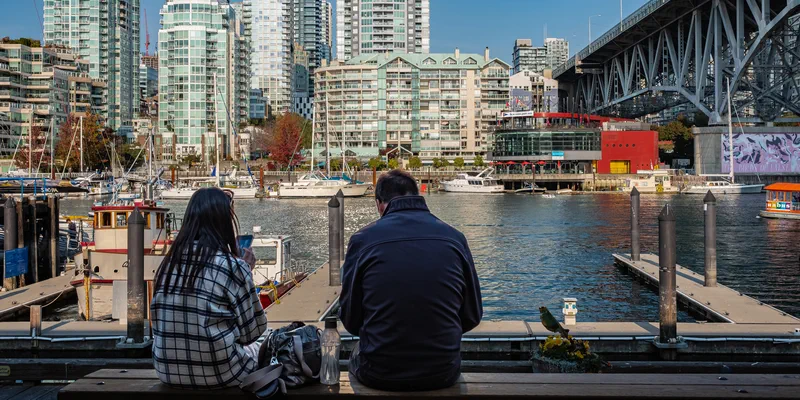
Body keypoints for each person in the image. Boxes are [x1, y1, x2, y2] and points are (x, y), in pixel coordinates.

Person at [339, 169, 483, 391]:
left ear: (379, 204)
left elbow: (350, 320)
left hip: (380, 372)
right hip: (442, 372)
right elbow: (472, 315)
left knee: (357, 354)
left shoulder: (362, 240)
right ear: (417, 195)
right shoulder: (454, 238)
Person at [151, 188, 266, 389]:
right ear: (223, 223)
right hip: (222, 373)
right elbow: (253, 332)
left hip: (167, 371)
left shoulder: (166, 266)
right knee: (265, 346)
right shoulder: (232, 266)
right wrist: (246, 271)